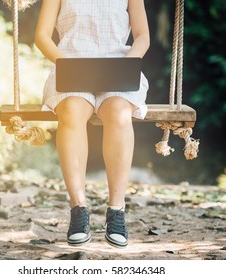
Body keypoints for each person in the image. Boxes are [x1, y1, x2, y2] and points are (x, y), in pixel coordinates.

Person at [35, 0, 150, 248]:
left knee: (119, 112)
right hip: (69, 65)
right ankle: (78, 208)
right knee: (72, 111)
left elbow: (142, 37)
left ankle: (117, 210)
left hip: (119, 66)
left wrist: (128, 63)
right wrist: (65, 64)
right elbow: (42, 36)